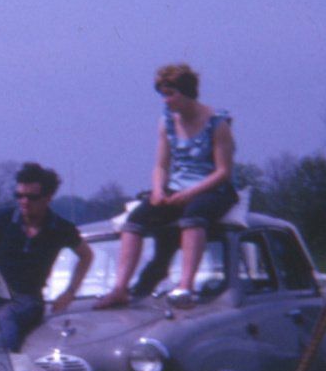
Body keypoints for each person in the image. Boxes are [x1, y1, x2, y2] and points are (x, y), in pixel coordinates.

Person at [96, 63, 237, 309]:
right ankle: (120, 288)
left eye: (171, 94)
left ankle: (185, 286)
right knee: (135, 220)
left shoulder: (217, 124)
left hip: (212, 188)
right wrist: (159, 190)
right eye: (163, 94)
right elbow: (161, 165)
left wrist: (190, 194)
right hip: (176, 187)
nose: (166, 100)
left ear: (188, 92)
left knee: (194, 217)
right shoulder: (166, 123)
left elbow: (223, 171)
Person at [0, 162, 94, 349]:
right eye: (19, 196)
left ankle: (6, 367)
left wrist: (70, 293)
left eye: (31, 197)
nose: (24, 202)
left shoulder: (60, 228)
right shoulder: (3, 218)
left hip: (28, 298)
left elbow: (86, 256)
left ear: (48, 198)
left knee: (6, 318)